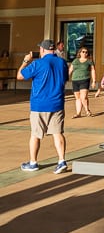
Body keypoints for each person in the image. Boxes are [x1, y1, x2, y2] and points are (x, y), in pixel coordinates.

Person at [17, 39, 69, 173]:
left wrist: (25, 61)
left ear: (42, 50)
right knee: (58, 133)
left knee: (35, 134)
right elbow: (65, 79)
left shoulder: (37, 63)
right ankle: (62, 160)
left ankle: (33, 162)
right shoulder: (62, 62)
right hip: (57, 103)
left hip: (39, 104)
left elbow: (20, 76)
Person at [69, 47, 96, 117]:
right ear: (80, 53)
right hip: (75, 80)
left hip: (85, 79)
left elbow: (93, 70)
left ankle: (87, 111)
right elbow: (70, 70)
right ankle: (78, 113)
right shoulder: (75, 61)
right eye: (83, 52)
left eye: (86, 52)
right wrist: (65, 78)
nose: (85, 53)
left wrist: (94, 81)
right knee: (77, 98)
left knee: (83, 97)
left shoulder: (89, 61)